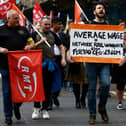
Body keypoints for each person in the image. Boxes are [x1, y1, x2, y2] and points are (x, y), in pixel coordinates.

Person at [0, 10, 45, 125]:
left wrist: (30, 46)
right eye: (15, 18)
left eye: (18, 18)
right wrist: (0, 49)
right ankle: (8, 116)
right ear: (8, 19)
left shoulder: (23, 30)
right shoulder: (1, 30)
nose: (18, 20)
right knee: (7, 92)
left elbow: (32, 42)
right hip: (6, 66)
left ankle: (16, 106)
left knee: (23, 89)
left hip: (22, 65)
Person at [32, 16, 66, 120]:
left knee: (47, 88)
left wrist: (63, 58)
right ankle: (36, 109)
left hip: (50, 64)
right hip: (37, 64)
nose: (47, 26)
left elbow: (61, 47)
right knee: (38, 87)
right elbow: (28, 47)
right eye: (45, 24)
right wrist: (39, 42)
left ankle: (45, 109)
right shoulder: (34, 34)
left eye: (48, 24)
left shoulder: (53, 35)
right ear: (40, 24)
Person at [85, 2, 110, 124]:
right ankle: (92, 113)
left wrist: (121, 55)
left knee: (106, 84)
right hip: (91, 62)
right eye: (99, 8)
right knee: (91, 88)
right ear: (94, 12)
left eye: (103, 8)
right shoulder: (87, 25)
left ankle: (101, 107)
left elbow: (116, 44)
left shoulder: (109, 26)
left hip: (105, 61)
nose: (101, 10)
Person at [111, 20, 126, 110]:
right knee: (120, 86)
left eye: (124, 26)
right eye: (121, 26)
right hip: (119, 66)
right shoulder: (114, 40)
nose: (123, 28)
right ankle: (120, 102)